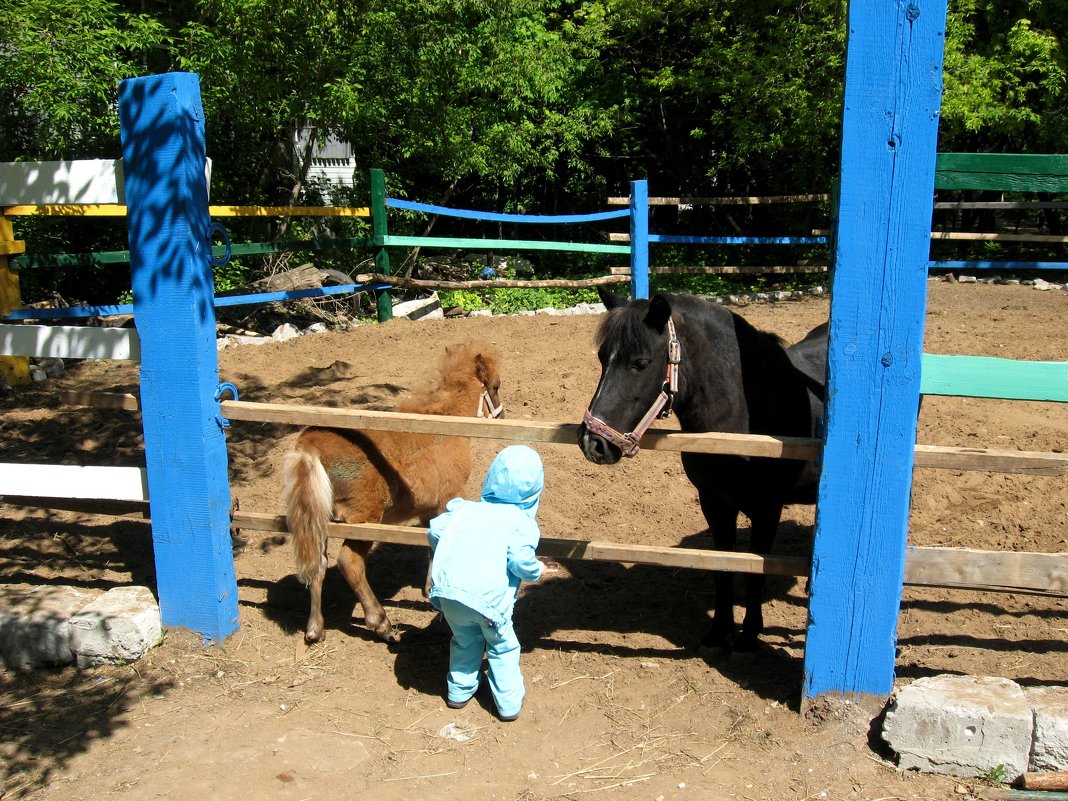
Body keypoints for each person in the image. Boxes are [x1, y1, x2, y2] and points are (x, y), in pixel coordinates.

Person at [427, 444, 546, 722]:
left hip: (449, 597)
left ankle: (458, 692)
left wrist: (448, 548)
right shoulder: (520, 523)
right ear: (534, 490)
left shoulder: (464, 510)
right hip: (488, 604)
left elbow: (435, 529)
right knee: (502, 646)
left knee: (464, 640)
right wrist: (536, 571)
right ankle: (508, 704)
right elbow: (520, 560)